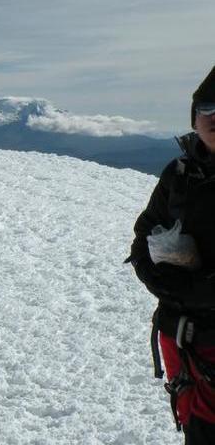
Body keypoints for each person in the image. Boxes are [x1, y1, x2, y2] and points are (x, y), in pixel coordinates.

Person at [128, 66, 215, 442]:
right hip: (186, 343)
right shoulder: (178, 175)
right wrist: (161, 280)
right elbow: (144, 236)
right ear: (194, 119)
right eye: (208, 109)